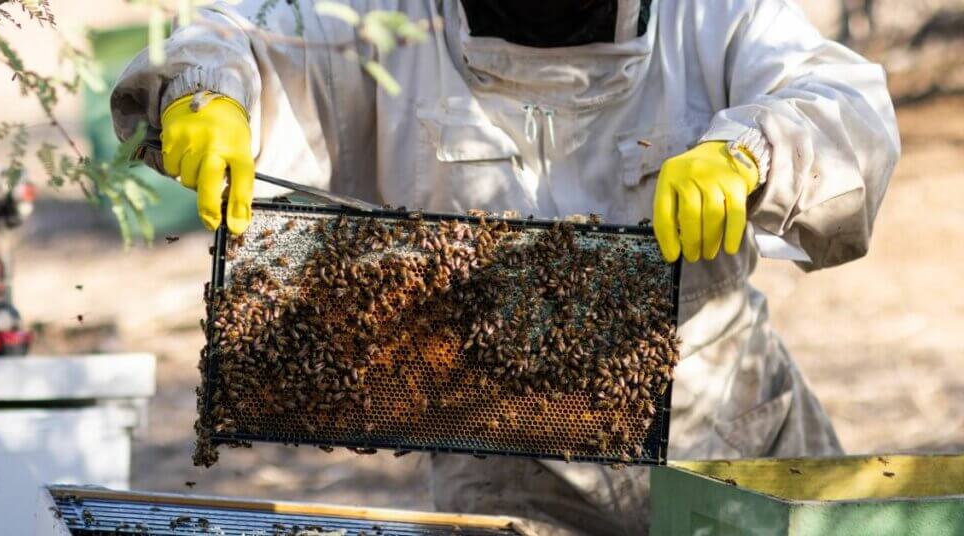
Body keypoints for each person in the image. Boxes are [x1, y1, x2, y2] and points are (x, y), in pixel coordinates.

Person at [111, 1, 900, 533]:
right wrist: (203, 93)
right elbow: (244, 33)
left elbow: (844, 104)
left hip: (728, 446)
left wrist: (752, 149)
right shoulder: (391, 22)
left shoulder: (714, 14)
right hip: (502, 481)